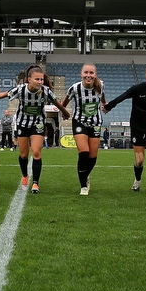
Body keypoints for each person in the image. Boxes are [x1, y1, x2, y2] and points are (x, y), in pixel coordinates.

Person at [0, 65, 70, 194]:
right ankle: (25, 175)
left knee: (36, 152)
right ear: (29, 79)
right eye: (37, 79)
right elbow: (6, 94)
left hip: (38, 124)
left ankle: (36, 183)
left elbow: (56, 102)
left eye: (41, 79)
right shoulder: (21, 89)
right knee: (23, 154)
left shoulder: (46, 91)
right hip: (23, 124)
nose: (40, 82)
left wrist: (64, 111)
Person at [104, 64, 146, 195]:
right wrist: (109, 106)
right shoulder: (137, 89)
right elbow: (122, 97)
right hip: (138, 126)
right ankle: (138, 180)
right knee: (139, 160)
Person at [61, 63, 106, 195]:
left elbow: (102, 96)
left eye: (91, 73)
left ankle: (85, 175)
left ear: (95, 75)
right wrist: (64, 113)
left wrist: (104, 104)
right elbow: (64, 104)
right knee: (84, 153)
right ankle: (83, 186)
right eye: (86, 72)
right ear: (81, 74)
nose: (88, 75)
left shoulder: (101, 85)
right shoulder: (75, 88)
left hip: (96, 123)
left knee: (93, 156)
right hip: (79, 122)